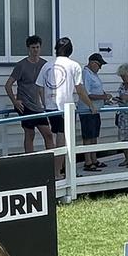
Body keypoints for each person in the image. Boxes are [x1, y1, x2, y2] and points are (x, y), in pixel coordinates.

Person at [37, 36, 92, 176]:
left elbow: (40, 87)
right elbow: (79, 89)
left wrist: (45, 103)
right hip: (65, 108)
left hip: (50, 108)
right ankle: (57, 173)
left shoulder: (47, 65)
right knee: (64, 141)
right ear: (70, 50)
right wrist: (91, 105)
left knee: (59, 139)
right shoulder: (74, 66)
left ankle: (64, 171)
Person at [4, 35, 53, 154]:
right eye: (32, 47)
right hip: (25, 104)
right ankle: (30, 162)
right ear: (28, 49)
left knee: (48, 134)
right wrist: (15, 101)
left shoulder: (45, 64)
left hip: (39, 106)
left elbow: (48, 85)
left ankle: (53, 162)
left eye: (37, 47)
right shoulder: (21, 65)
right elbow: (8, 85)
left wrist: (48, 102)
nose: (35, 50)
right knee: (30, 134)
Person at [79, 53, 108, 170]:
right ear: (92, 62)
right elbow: (87, 94)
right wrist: (103, 97)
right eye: (98, 65)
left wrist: (104, 97)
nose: (100, 68)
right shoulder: (86, 73)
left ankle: (94, 159)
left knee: (94, 135)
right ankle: (88, 161)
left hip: (95, 110)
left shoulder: (94, 74)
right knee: (88, 136)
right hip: (87, 110)